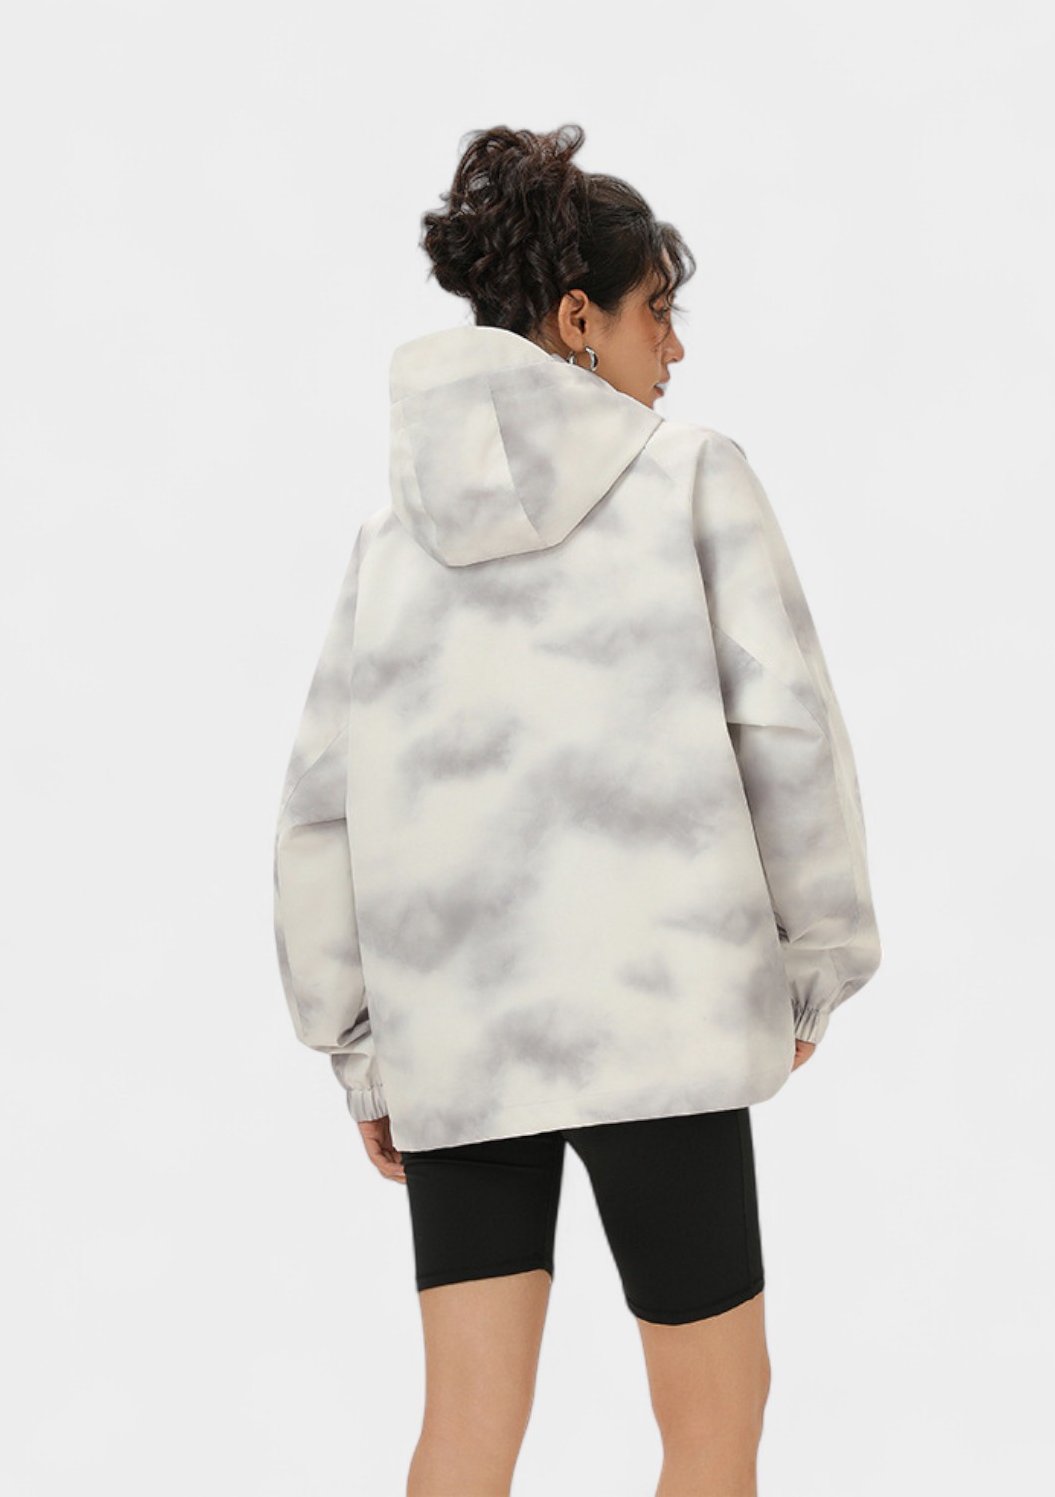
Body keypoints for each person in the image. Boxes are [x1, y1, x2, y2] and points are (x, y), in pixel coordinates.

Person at [271, 123, 882, 1497]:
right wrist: (812, 967)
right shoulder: (691, 477)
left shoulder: (390, 542)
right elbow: (786, 736)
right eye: (657, 312)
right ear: (576, 320)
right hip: (660, 1019)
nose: (676, 351)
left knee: (466, 1432)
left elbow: (320, 811)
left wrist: (363, 1049)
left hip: (460, 1042)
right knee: (714, 1424)